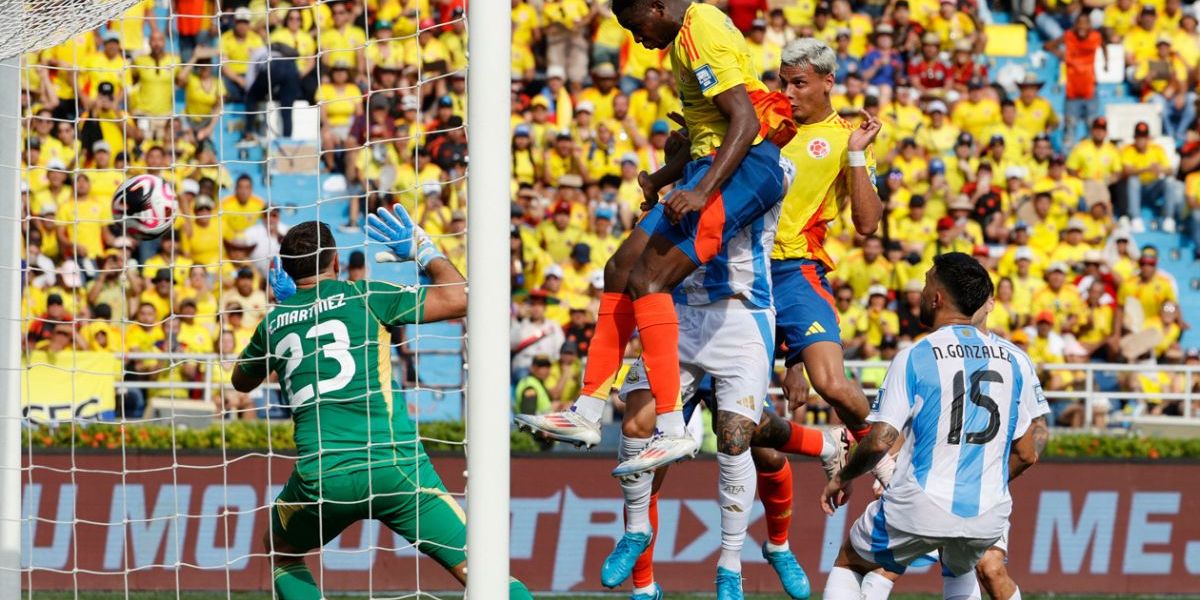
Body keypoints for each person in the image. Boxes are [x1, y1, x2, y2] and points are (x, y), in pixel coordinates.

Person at [516, 0, 796, 475]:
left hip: (742, 172)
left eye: (636, 26)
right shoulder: (685, 36)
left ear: (656, 6)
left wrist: (702, 190)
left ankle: (671, 427)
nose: (639, 40)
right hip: (710, 167)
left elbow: (745, 122)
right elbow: (712, 130)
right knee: (619, 269)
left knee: (650, 280)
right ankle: (587, 411)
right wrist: (665, 177)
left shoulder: (698, 30)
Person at [232, 208, 532, 599]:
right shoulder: (366, 295)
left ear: (285, 272)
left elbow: (241, 381)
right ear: (336, 262)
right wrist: (423, 250)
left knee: (283, 552)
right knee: (485, 574)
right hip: (396, 469)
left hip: (324, 477)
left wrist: (287, 312)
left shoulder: (272, 324)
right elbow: (461, 298)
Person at [820, 253, 1046, 600]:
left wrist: (842, 476)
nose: (923, 292)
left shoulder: (916, 355)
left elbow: (881, 439)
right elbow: (1028, 452)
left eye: (926, 284)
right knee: (960, 568)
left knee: (851, 560)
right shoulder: (1016, 359)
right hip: (988, 513)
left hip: (922, 503)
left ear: (937, 298)